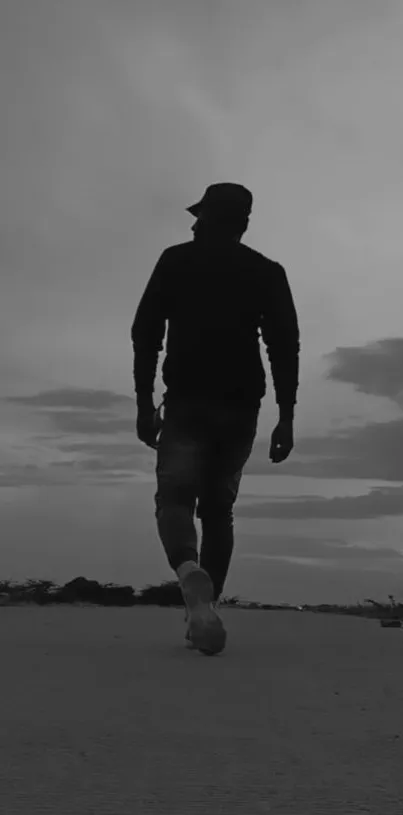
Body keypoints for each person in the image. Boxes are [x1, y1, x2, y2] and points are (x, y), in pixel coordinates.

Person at [131, 182, 300, 655]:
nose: (192, 222)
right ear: (243, 224)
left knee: (175, 501)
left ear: (208, 219)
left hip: (187, 400)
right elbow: (285, 345)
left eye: (199, 216)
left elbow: (145, 332)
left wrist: (144, 401)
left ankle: (189, 575)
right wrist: (286, 416)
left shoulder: (176, 260)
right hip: (242, 404)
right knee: (219, 511)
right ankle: (206, 610)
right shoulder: (266, 271)